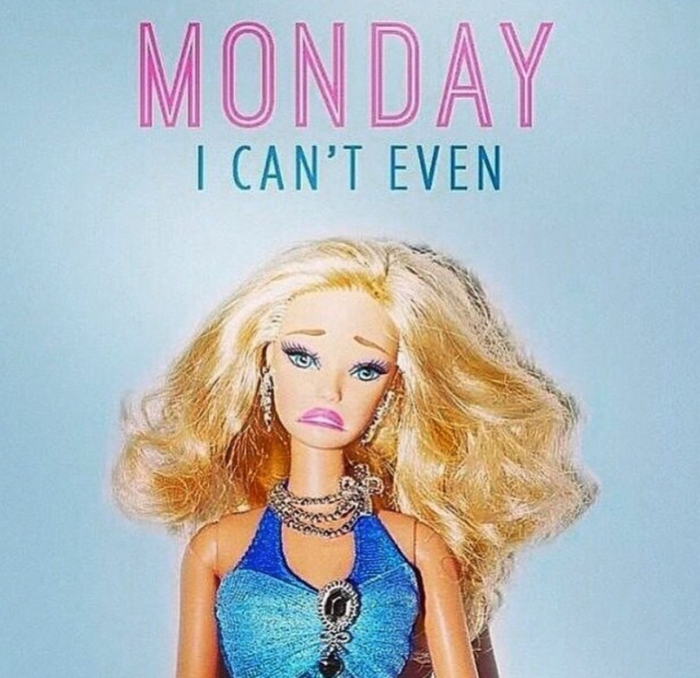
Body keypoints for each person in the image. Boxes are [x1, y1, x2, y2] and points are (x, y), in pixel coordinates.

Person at [113, 238, 597, 677]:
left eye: (366, 370)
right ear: (264, 363)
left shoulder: (417, 546)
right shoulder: (217, 548)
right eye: (302, 356)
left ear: (394, 389)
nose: (330, 390)